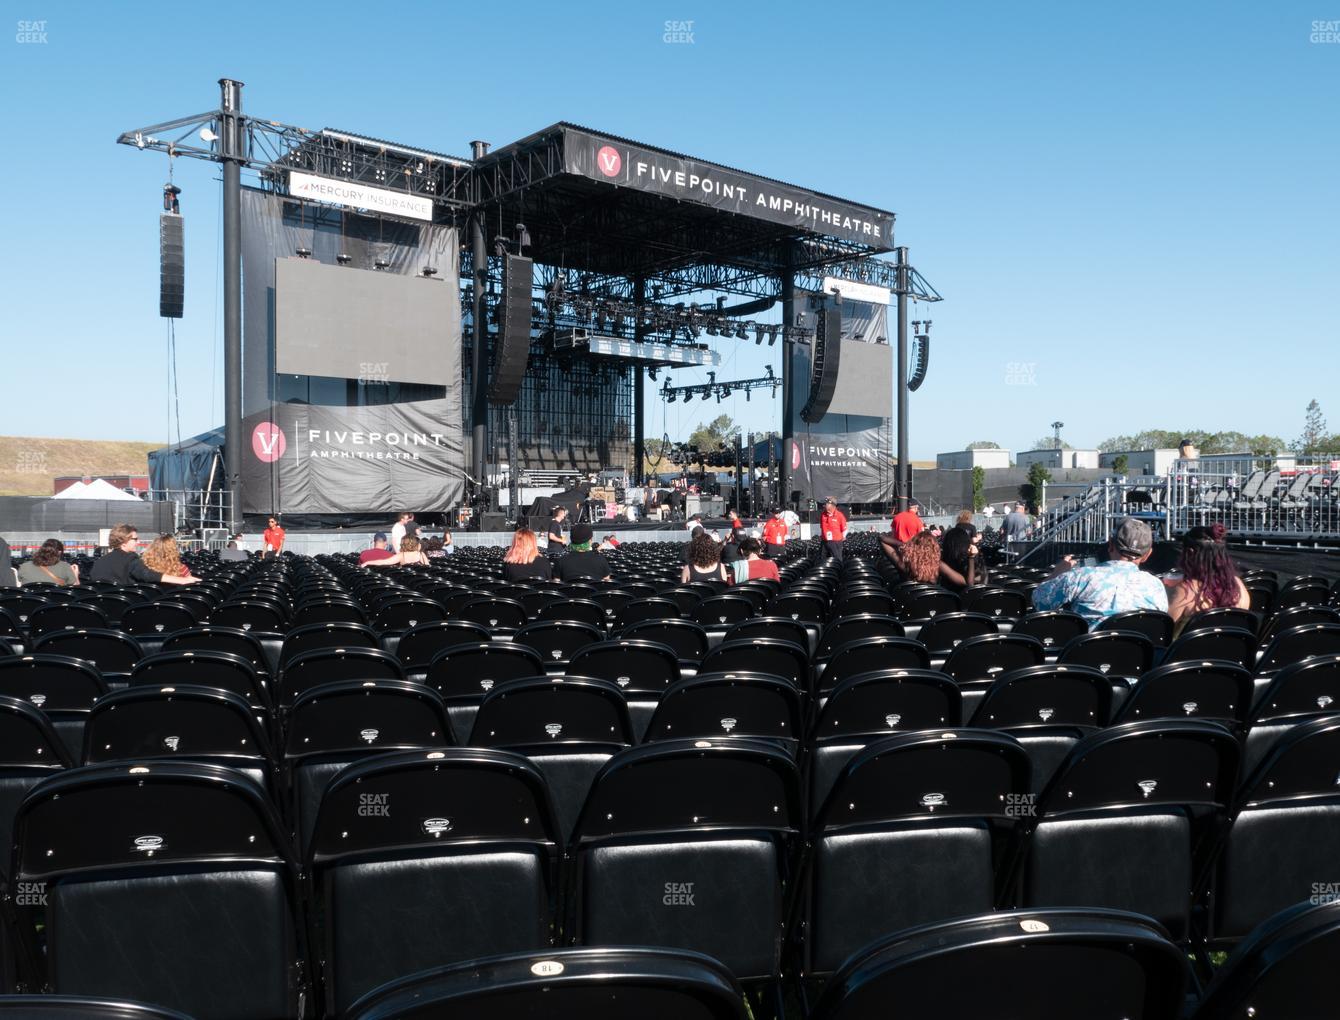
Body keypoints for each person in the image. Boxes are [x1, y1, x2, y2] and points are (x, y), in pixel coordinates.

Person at [1032, 517, 1169, 626]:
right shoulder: (1156, 587)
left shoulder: (1080, 577)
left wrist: (1057, 573)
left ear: (1110, 545)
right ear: (1147, 555)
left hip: (1085, 658)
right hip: (1138, 658)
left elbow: (1039, 602)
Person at [1165, 524, 1251, 635]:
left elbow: (1165, 631)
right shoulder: (1238, 585)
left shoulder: (1185, 590)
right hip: (1231, 650)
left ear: (1190, 553)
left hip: (1189, 651)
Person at [90, 524, 198, 586]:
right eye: (135, 539)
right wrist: (182, 580)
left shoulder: (99, 562)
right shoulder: (130, 559)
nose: (138, 542)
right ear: (123, 543)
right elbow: (147, 575)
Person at [939, 524, 983, 591]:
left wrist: (971, 558)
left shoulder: (943, 563)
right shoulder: (970, 558)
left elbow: (970, 585)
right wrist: (971, 558)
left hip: (952, 599)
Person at [819, 498, 848, 562]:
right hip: (824, 542)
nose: (825, 505)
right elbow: (821, 526)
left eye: (827, 504)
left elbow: (844, 529)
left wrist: (842, 538)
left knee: (837, 560)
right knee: (822, 560)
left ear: (833, 506)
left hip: (835, 542)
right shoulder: (823, 515)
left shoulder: (840, 515)